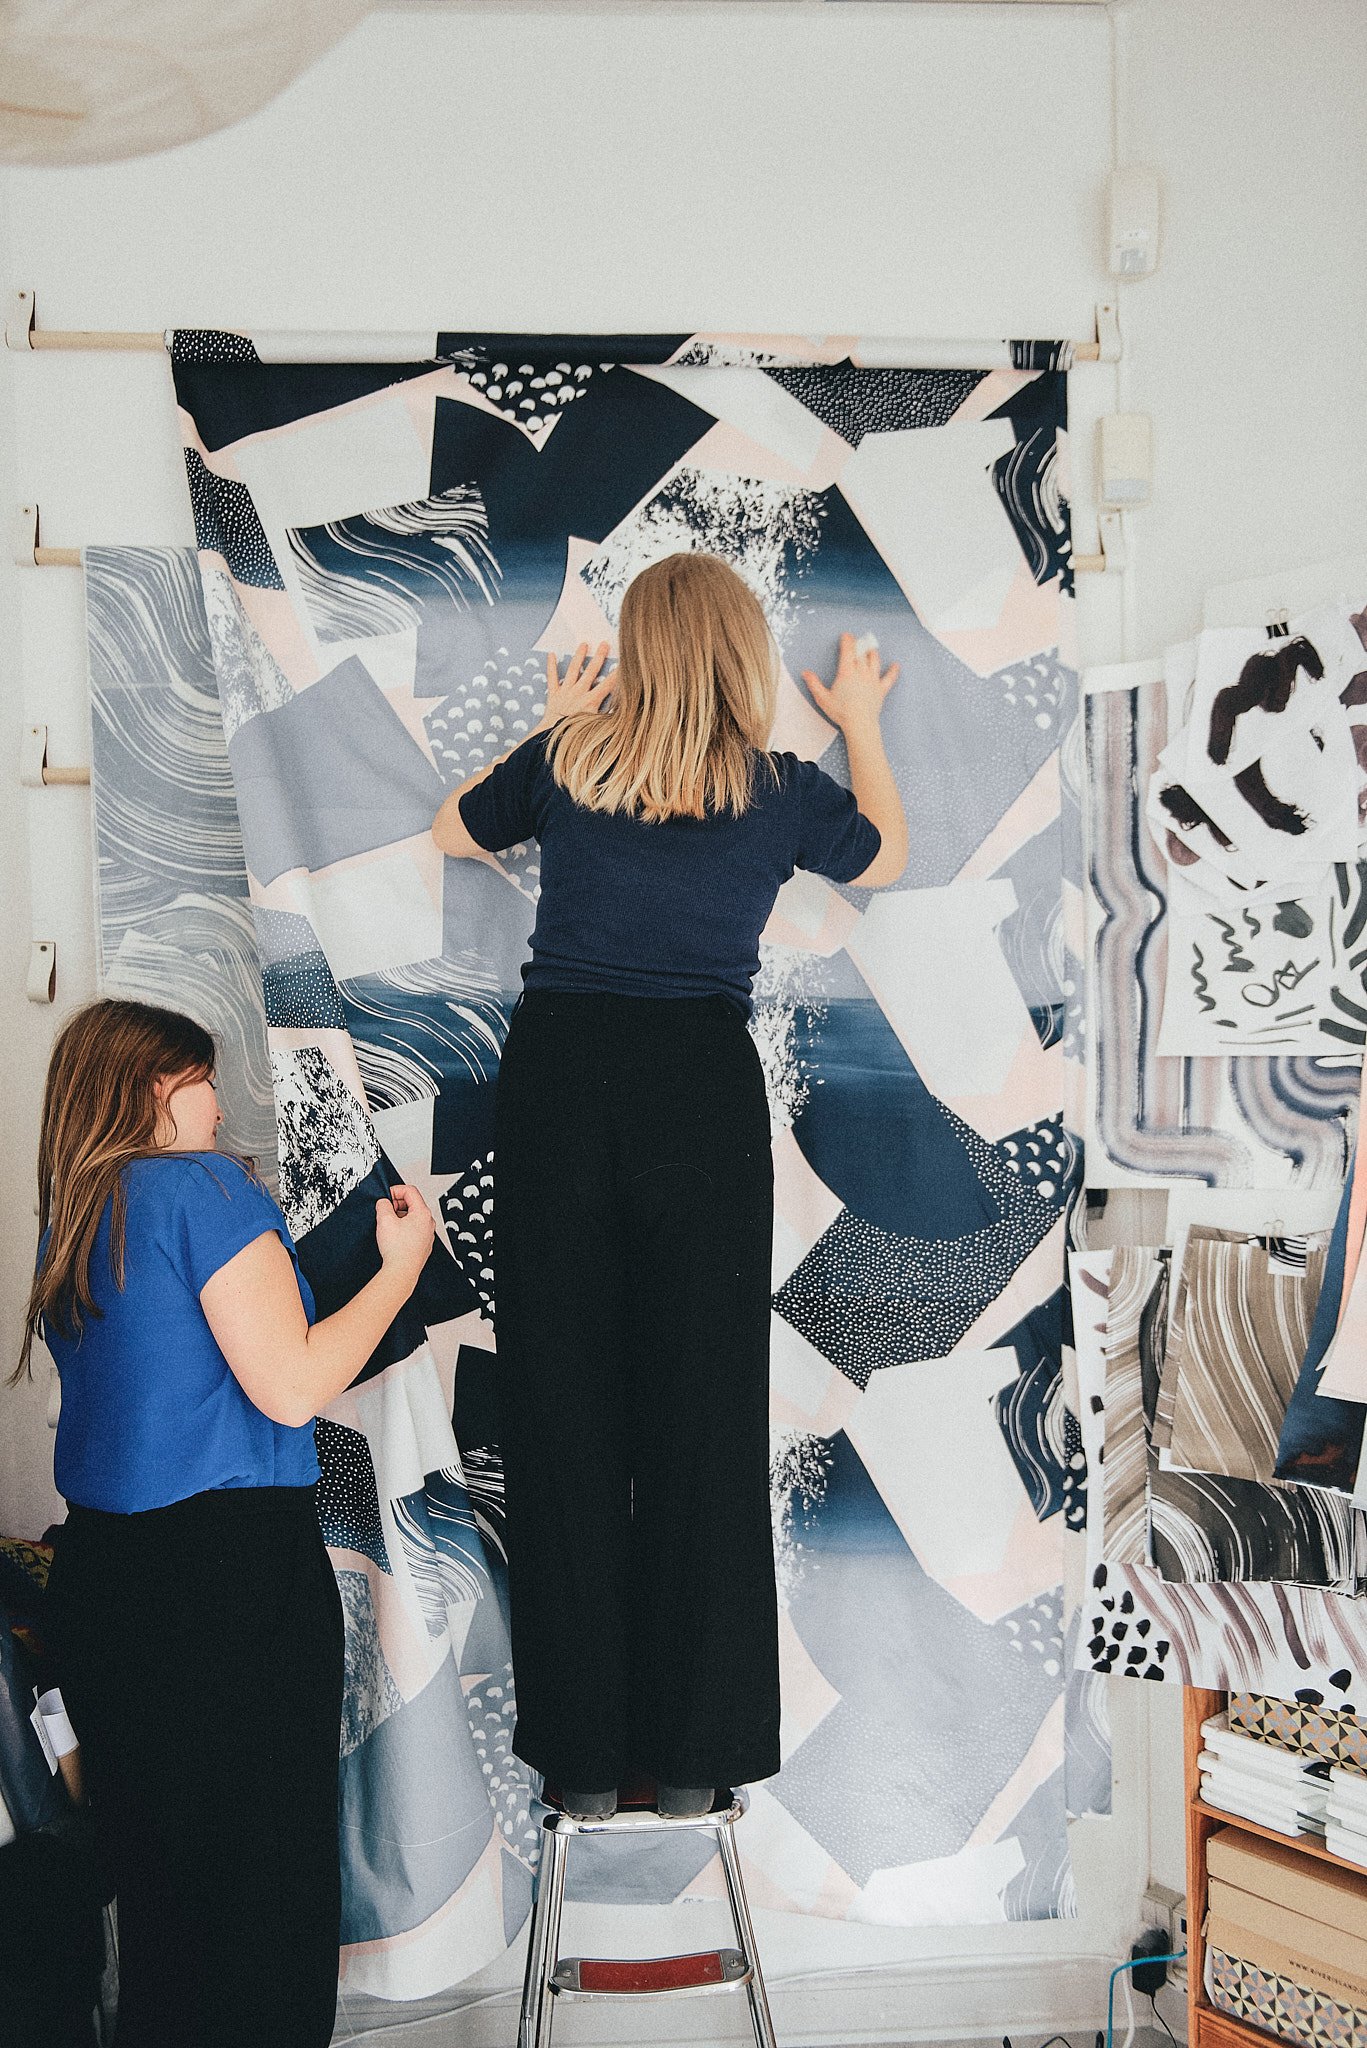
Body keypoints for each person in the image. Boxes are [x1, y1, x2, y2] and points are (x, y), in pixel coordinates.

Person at [433, 550, 906, 1820]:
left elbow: (452, 827)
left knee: (562, 1412)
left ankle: (583, 1763)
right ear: (741, 653)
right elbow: (882, 856)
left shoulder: (571, 759)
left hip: (559, 1081)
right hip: (697, 1086)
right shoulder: (775, 788)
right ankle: (697, 1758)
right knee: (702, 1416)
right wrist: (860, 719)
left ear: (637, 653)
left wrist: (550, 719)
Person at [16, 999, 435, 2048]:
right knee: (263, 1903)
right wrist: (399, 1270)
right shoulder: (202, 1189)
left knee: (165, 1908)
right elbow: (291, 1386)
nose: (218, 1102)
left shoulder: (74, 1218)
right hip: (229, 1586)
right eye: (201, 1079)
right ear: (153, 1091)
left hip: (103, 1581)